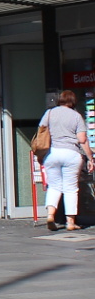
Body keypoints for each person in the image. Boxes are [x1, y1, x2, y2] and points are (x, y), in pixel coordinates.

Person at [40, 90, 94, 232]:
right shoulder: (76, 116)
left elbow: (41, 131)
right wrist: (90, 158)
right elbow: (82, 140)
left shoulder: (50, 113)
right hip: (71, 154)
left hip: (52, 153)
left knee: (54, 186)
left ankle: (50, 215)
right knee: (70, 188)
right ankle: (70, 222)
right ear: (72, 101)